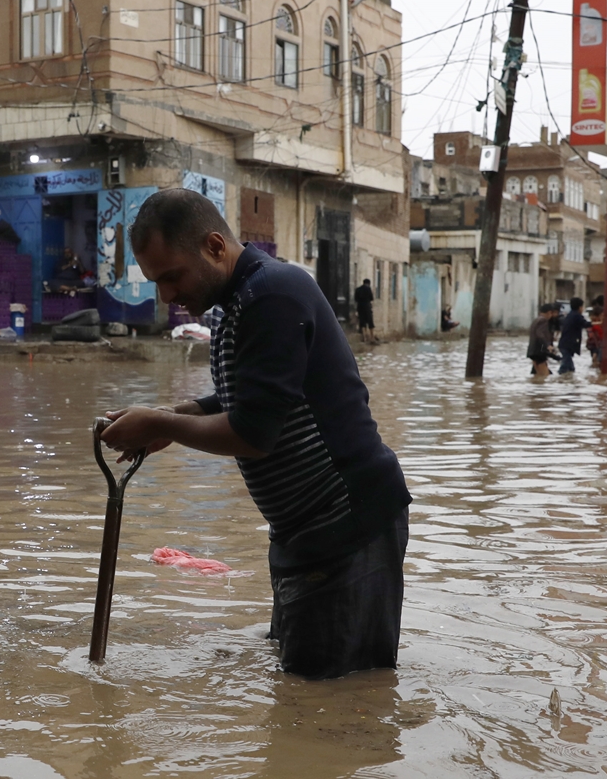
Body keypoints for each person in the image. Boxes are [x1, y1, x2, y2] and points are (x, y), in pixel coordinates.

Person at [98, 188, 412, 681]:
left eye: (172, 276)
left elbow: (253, 432)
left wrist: (162, 424)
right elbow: (256, 397)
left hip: (346, 526)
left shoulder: (271, 296)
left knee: (333, 703)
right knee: (304, 691)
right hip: (306, 532)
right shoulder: (242, 301)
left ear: (215, 246)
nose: (167, 296)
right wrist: (175, 412)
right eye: (157, 282)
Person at [557, 296, 589, 375]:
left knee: (570, 368)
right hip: (567, 345)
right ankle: (559, 381)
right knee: (565, 367)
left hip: (564, 344)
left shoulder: (570, 315)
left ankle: (566, 381)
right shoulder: (576, 316)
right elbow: (585, 324)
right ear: (580, 307)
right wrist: (599, 323)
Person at [527, 302, 560, 378]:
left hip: (533, 350)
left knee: (537, 374)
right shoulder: (543, 320)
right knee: (544, 375)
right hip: (539, 351)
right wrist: (547, 345)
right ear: (549, 313)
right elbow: (540, 334)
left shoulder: (536, 320)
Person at [354, 278, 376, 343]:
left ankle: (364, 337)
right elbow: (371, 298)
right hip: (367, 307)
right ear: (369, 283)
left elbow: (356, 299)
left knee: (362, 322)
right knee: (370, 322)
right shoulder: (368, 289)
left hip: (360, 307)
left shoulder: (357, 289)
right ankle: (372, 337)